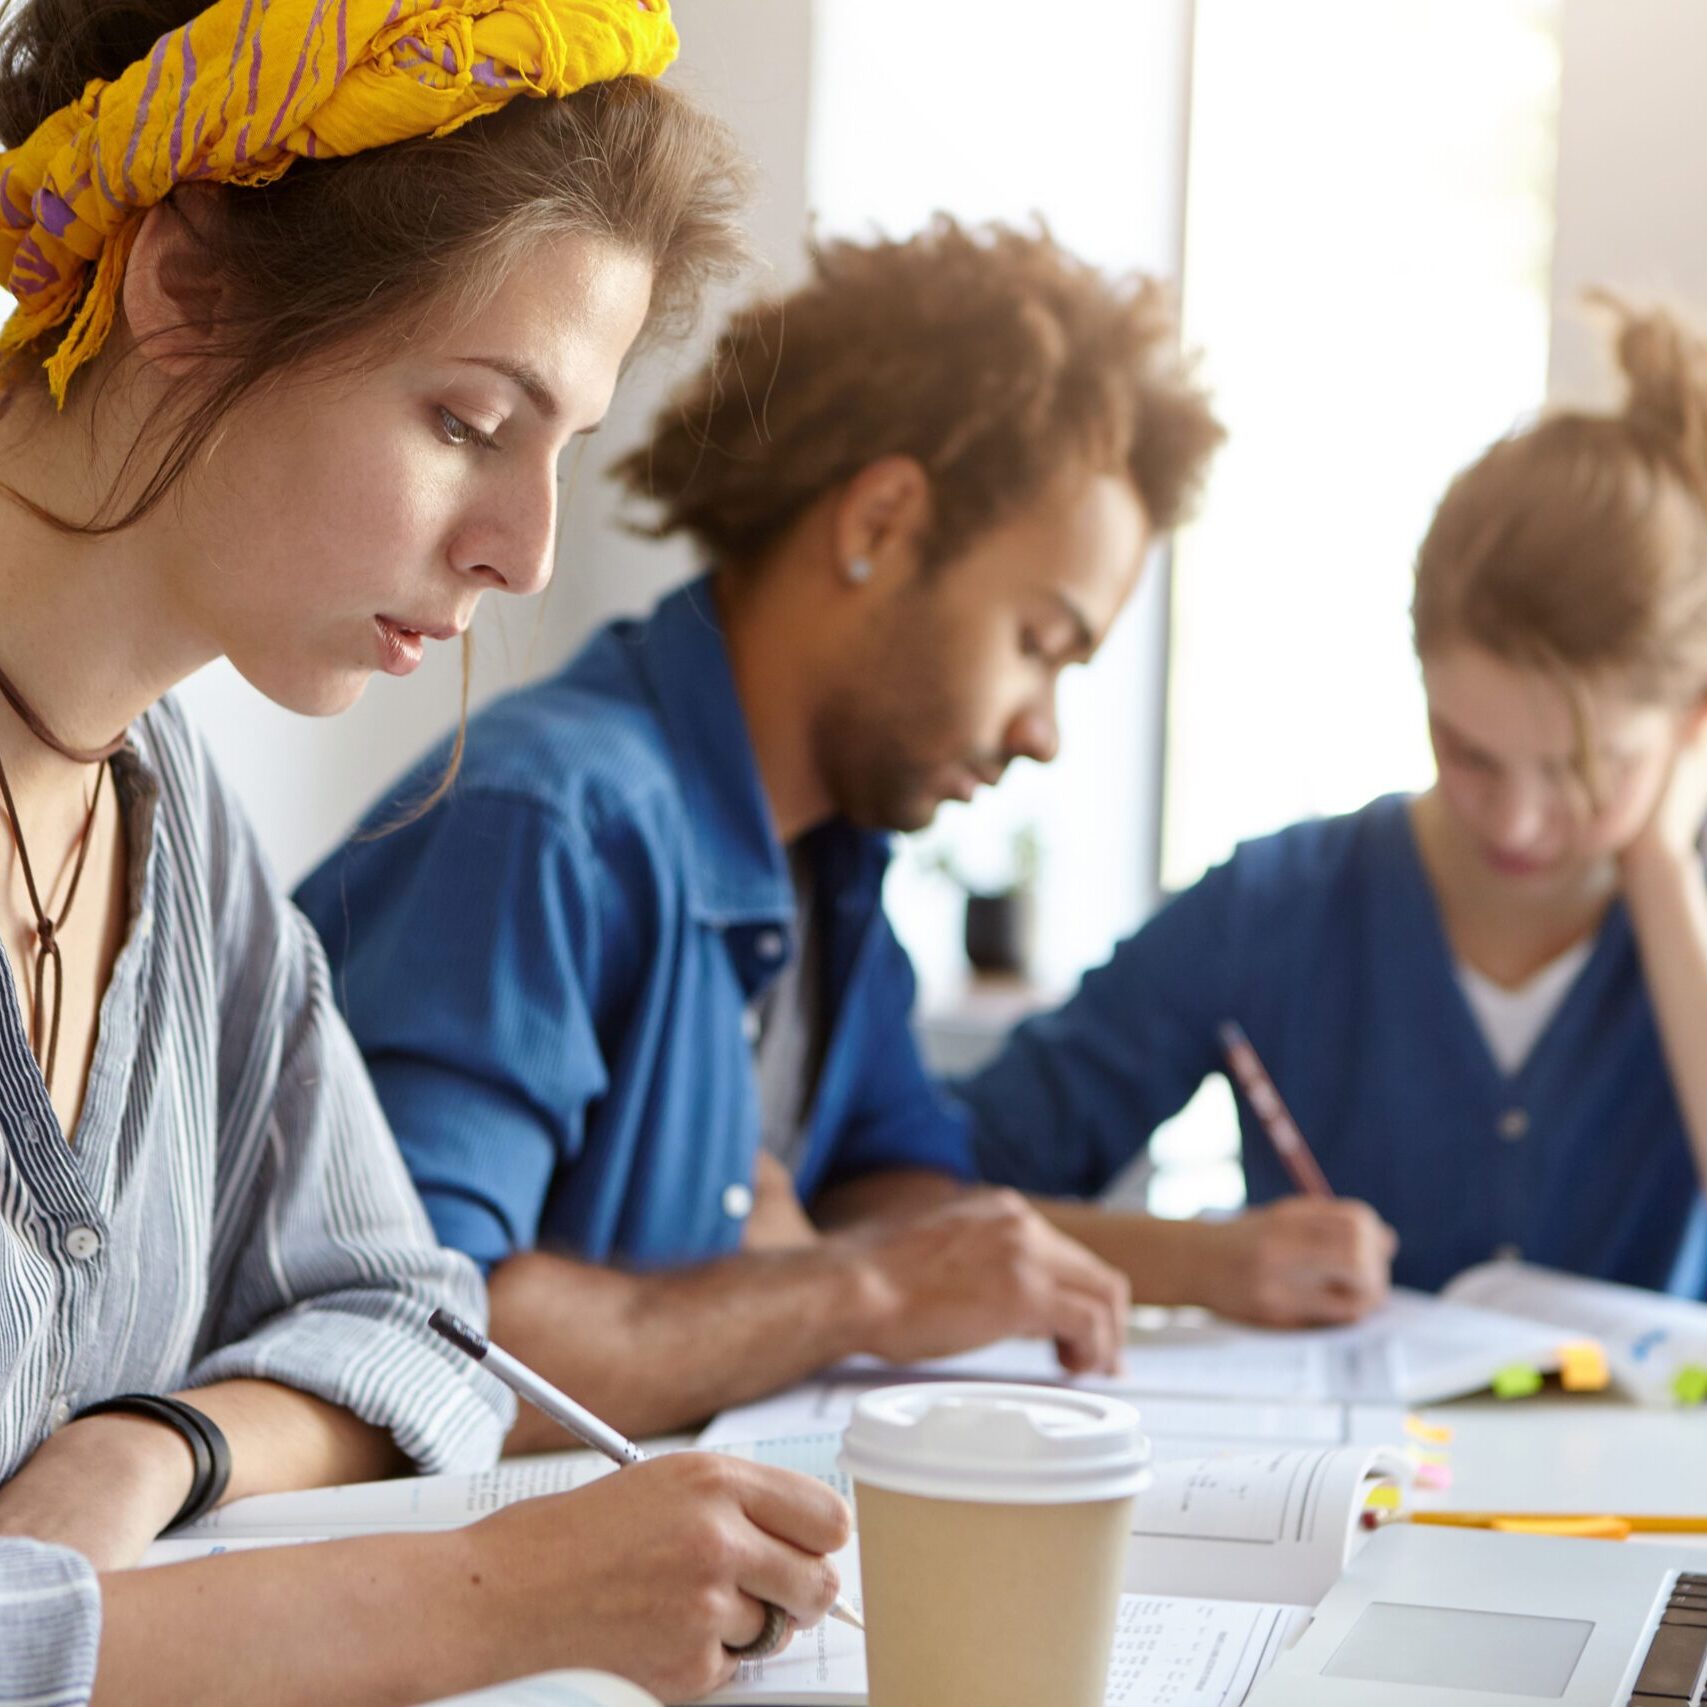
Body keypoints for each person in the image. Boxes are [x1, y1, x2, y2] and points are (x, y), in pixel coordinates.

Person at [0, 2, 848, 1701]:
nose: (524, 552)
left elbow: (418, 1318)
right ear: (185, 286)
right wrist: (484, 1596)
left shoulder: (171, 818)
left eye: (559, 451)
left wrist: (147, 1448)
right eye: (467, 421)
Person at [296, 218, 1226, 1444]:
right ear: (880, 524)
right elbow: (426, 1350)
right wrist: (844, 1288)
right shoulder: (548, 827)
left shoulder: (829, 863)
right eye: (1038, 645)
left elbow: (898, 1195)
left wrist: (826, 1258)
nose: (1042, 730)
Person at [962, 296, 1707, 1323]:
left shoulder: (1684, 932)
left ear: (1688, 722)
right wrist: (1192, 1262)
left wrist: (1666, 873)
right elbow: (931, 1185)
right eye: (1471, 754)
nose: (1520, 824)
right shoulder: (1273, 908)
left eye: (1586, 770)